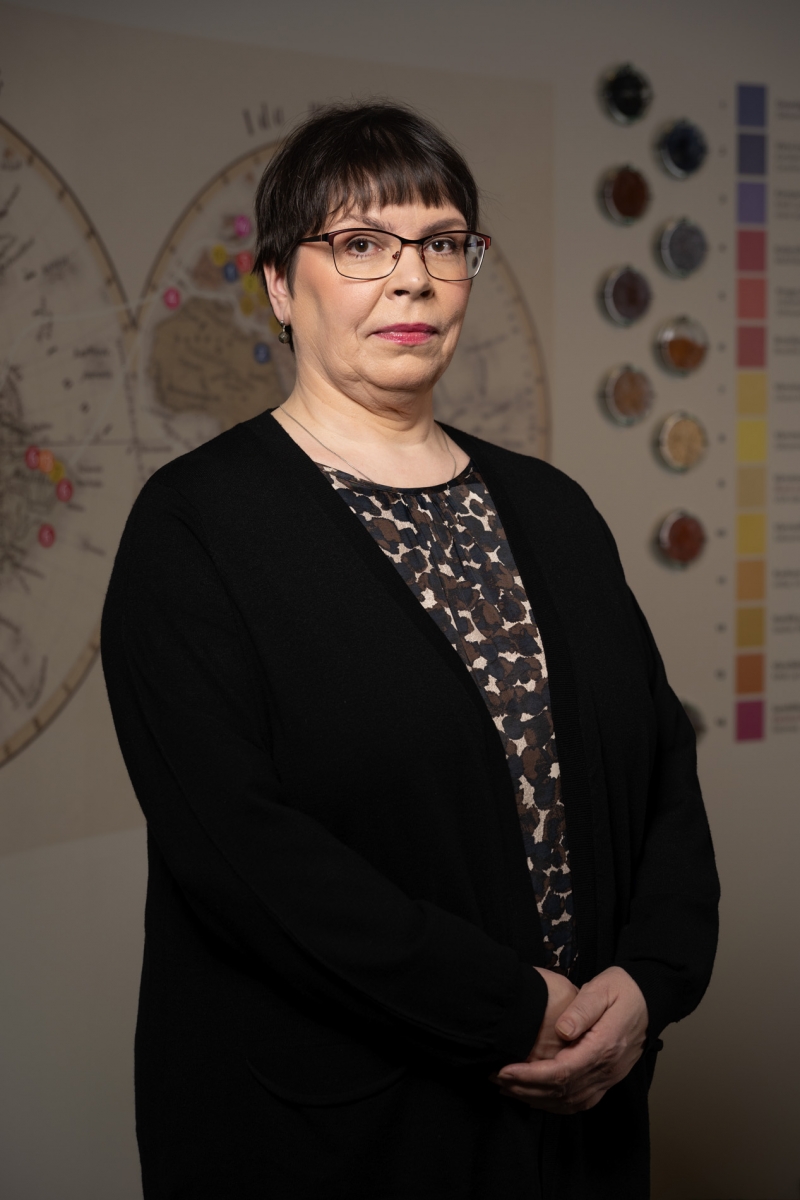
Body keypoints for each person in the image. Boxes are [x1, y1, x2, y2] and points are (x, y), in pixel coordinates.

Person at [100, 101, 720, 1200]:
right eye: (360, 245)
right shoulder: (194, 528)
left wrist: (647, 982)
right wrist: (511, 1007)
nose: (412, 280)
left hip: (582, 1119)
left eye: (442, 243)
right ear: (280, 286)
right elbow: (240, 856)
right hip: (342, 1138)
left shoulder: (554, 510)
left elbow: (661, 761)